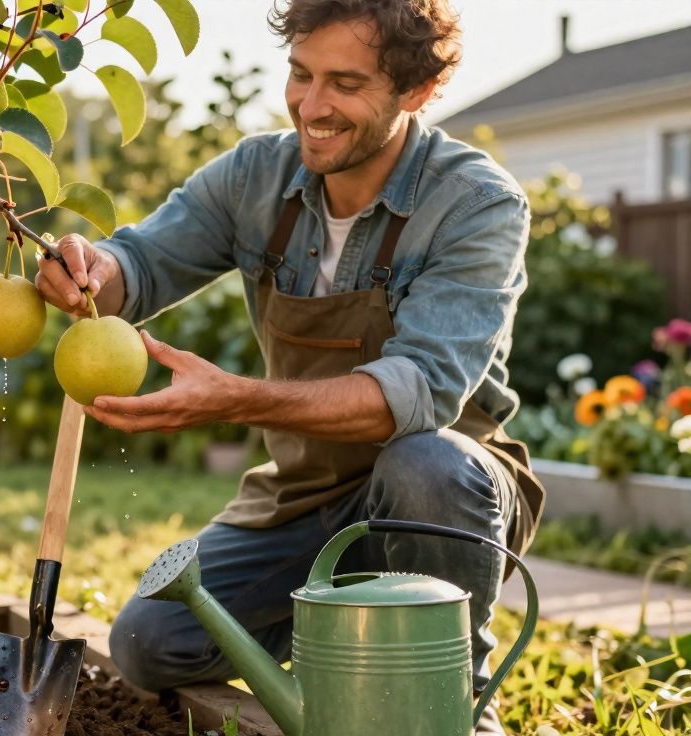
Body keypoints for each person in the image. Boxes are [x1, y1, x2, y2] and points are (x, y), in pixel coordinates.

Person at [35, 1, 546, 733]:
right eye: (301, 74)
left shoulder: (476, 203)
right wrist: (92, 269)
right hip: (306, 496)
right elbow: (141, 263)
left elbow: (418, 391)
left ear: (417, 91)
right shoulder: (256, 177)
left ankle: (453, 700)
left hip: (447, 496)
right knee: (151, 643)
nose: (312, 105)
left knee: (424, 464)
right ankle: (346, 649)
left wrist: (231, 400)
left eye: (345, 82)